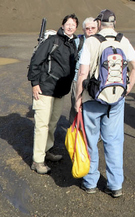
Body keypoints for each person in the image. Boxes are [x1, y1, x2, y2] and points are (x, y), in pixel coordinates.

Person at [75, 10, 135, 197]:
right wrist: (127, 88)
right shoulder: (123, 40)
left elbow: (83, 74)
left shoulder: (92, 41)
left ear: (99, 23)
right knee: (114, 141)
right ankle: (115, 185)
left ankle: (90, 183)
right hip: (116, 98)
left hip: (93, 98)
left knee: (90, 141)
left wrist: (78, 98)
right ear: (114, 23)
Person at [27, 14, 81, 174]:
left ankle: (46, 151)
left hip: (59, 92)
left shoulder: (72, 45)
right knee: (42, 126)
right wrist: (35, 83)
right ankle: (37, 161)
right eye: (68, 24)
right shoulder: (52, 41)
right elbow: (36, 61)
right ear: (63, 25)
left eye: (73, 25)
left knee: (52, 123)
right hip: (44, 90)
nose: (70, 27)